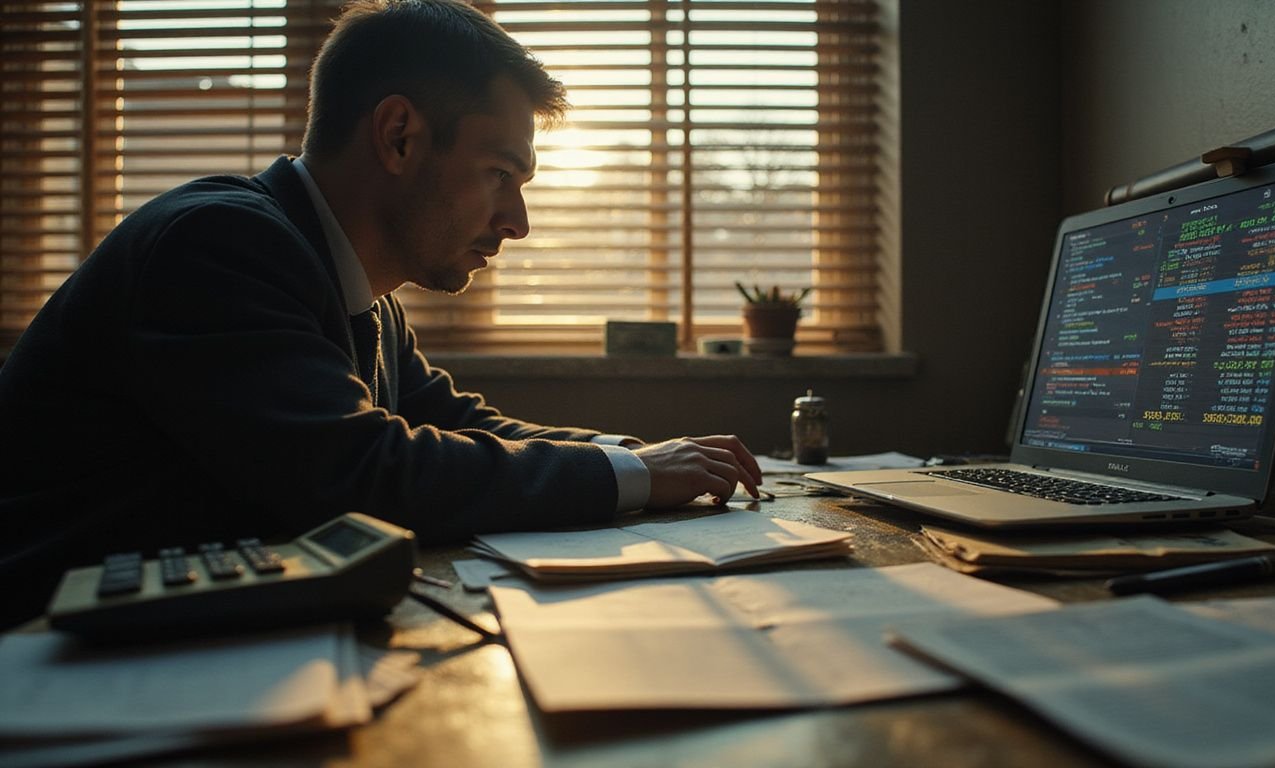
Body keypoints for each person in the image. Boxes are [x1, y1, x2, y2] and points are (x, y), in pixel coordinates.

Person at [0, 0, 761, 629]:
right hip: (41, 654)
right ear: (399, 136)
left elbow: (457, 425)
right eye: (501, 173)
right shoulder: (220, 243)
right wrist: (631, 472)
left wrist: (640, 453)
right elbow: (358, 472)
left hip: (169, 639)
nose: (518, 221)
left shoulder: (354, 286)